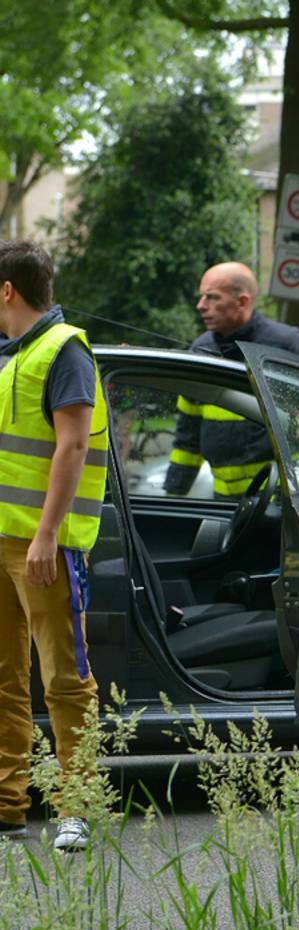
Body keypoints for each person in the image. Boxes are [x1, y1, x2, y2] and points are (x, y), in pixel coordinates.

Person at [0, 240, 108, 853]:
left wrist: (45, 535)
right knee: (4, 679)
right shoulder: (9, 355)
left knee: (65, 680)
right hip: (1, 540)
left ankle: (78, 807)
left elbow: (72, 448)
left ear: (7, 290)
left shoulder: (64, 350)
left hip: (43, 547)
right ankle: (7, 807)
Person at [163, 262, 299, 498]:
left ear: (242, 302)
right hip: (222, 502)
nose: (201, 306)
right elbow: (189, 432)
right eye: (201, 297)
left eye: (212, 297)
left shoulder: (288, 345)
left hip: (279, 499)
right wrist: (173, 495)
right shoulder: (201, 350)